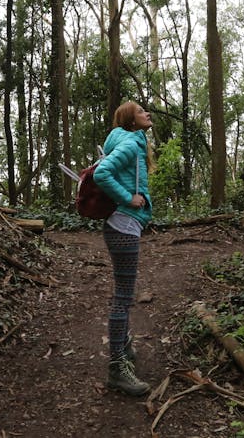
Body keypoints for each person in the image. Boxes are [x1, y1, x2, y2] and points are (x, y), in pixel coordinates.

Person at [92, 100, 154, 396]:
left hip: (122, 225)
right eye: (142, 111)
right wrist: (128, 198)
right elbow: (102, 174)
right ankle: (117, 366)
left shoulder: (128, 141)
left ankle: (124, 346)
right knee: (123, 296)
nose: (147, 114)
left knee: (123, 294)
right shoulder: (130, 144)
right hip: (124, 223)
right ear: (131, 120)